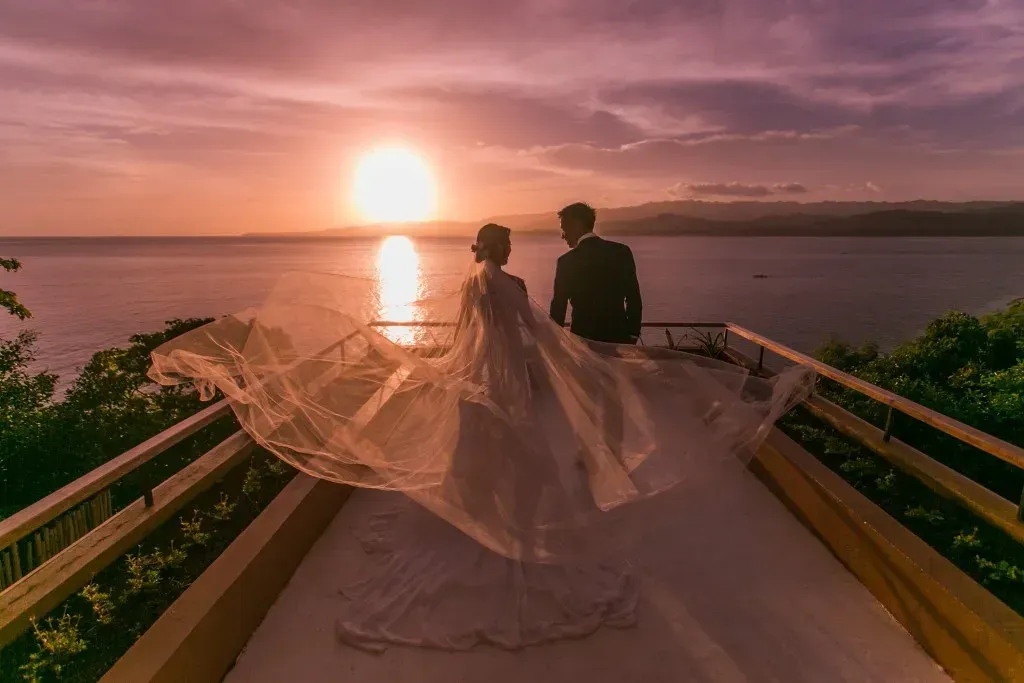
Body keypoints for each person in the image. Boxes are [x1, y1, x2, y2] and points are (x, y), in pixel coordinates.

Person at [148, 226, 815, 653]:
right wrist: (574, 351)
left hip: (475, 381)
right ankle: (514, 524)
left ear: (476, 249)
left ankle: (476, 524)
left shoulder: (469, 286)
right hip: (510, 385)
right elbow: (534, 335)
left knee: (474, 452)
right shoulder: (518, 284)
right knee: (518, 453)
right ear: (508, 252)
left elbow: (468, 337)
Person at [550, 202, 642, 344]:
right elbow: (633, 297)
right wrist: (632, 333)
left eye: (564, 229)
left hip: (583, 342)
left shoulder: (566, 262)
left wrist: (555, 343)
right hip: (619, 339)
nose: (563, 236)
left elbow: (558, 308)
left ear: (576, 225)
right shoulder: (621, 252)